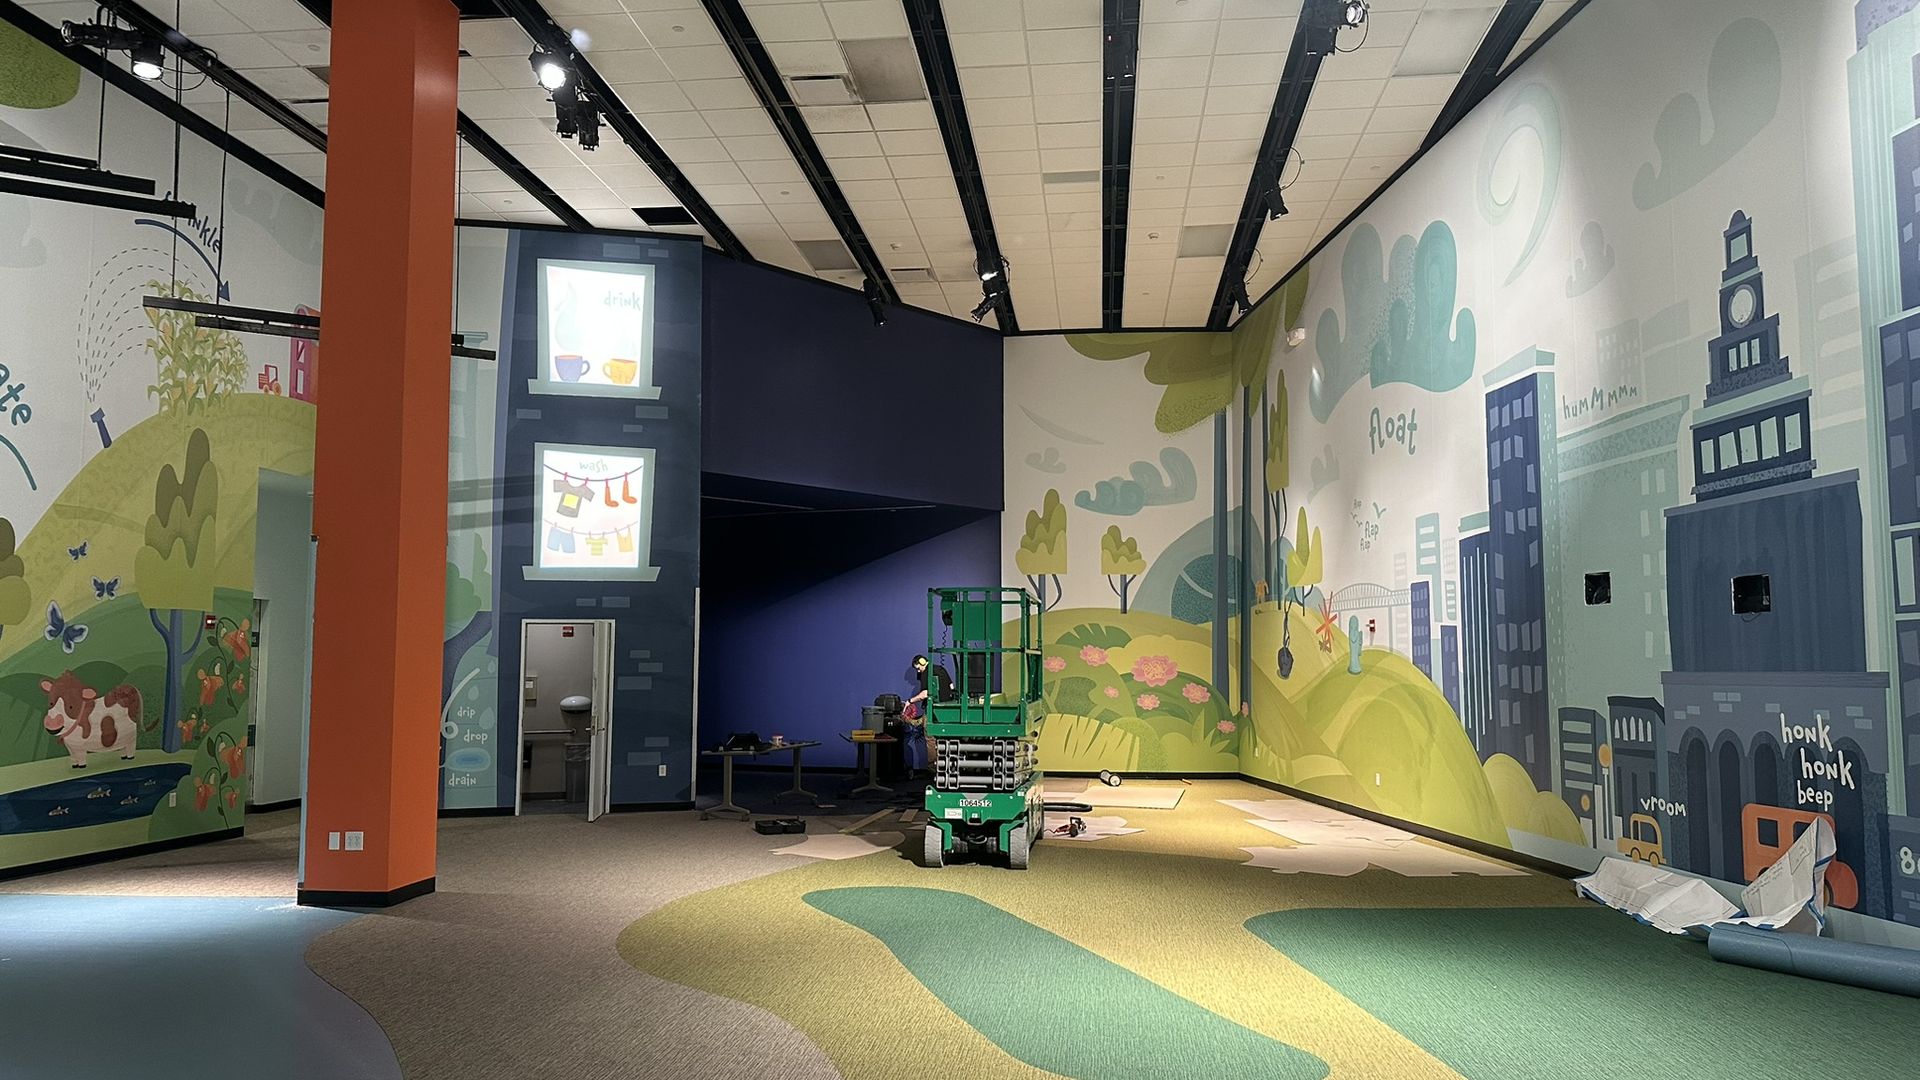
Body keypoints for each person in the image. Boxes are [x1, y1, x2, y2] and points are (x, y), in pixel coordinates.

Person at [904, 654, 953, 776]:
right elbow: (951, 687)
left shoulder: (927, 673)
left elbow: (925, 694)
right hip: (947, 710)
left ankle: (933, 769)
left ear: (922, 662)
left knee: (930, 739)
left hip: (933, 710)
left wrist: (910, 701)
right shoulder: (941, 669)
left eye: (918, 668)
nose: (918, 671)